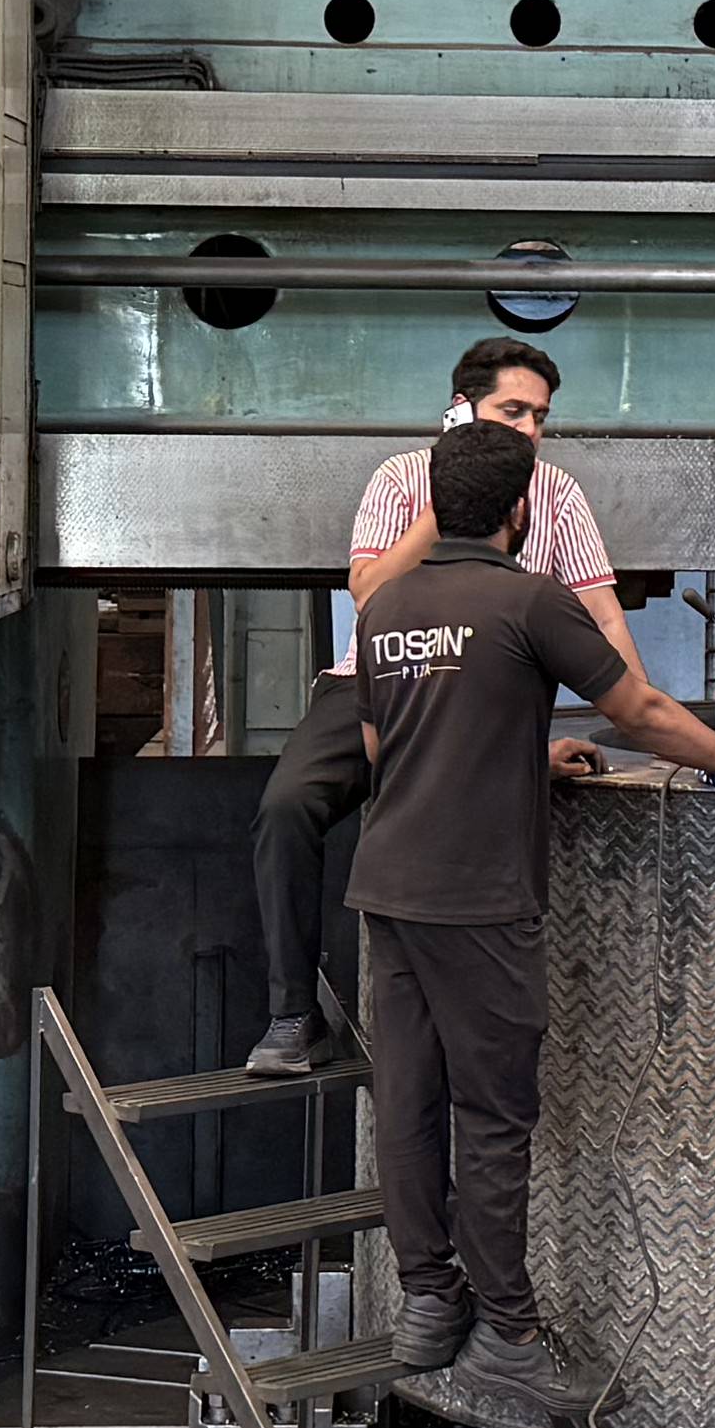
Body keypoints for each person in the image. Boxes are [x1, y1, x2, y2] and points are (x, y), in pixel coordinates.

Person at [350, 418, 715, 1425]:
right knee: (492, 1118)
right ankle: (507, 1337)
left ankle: (428, 1302)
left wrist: (519, 753)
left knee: (408, 1100)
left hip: (389, 885)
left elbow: (384, 742)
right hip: (479, 896)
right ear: (519, 510)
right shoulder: (530, 599)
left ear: (432, 508)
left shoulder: (386, 607)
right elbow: (637, 711)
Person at [245, 336, 622, 1077]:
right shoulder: (399, 478)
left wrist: (645, 716)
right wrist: (449, 498)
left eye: (540, 417)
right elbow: (369, 592)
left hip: (483, 696)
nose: (530, 430)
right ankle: (293, 1014)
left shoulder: (558, 493)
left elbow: (603, 612)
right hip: (382, 681)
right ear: (461, 410)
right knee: (285, 808)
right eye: (512, 412)